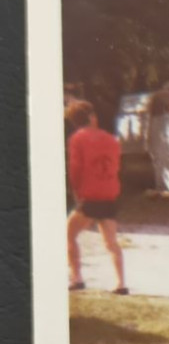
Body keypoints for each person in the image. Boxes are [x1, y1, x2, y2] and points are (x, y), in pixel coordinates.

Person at [66, 100, 127, 294]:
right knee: (111, 242)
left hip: (90, 195)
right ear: (92, 117)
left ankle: (77, 278)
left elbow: (75, 169)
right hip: (109, 194)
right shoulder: (111, 139)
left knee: (69, 235)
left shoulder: (78, 138)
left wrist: (77, 191)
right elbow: (117, 166)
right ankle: (121, 283)